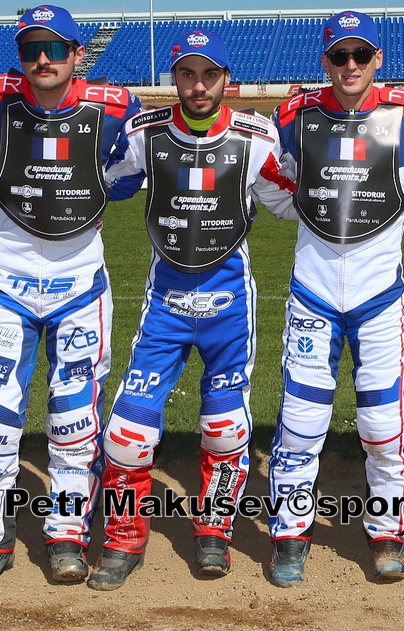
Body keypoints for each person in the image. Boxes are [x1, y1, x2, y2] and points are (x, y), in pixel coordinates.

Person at [87, 29, 292, 590]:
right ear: (173, 78)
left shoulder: (256, 137)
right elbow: (100, 182)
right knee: (127, 432)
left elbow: (290, 201)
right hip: (166, 303)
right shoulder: (144, 134)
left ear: (227, 79)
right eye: (187, 75)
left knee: (225, 429)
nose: (198, 87)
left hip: (230, 303)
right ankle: (123, 540)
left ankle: (214, 533)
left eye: (209, 75)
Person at [0, 5, 142, 593]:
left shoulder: (116, 106)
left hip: (80, 285)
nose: (42, 59)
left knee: (73, 422)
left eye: (55, 48)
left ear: (77, 55)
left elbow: (131, 177)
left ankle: (66, 535)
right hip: (7, 284)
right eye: (31, 48)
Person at [265, 11, 404, 586]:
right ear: (325, 61)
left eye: (361, 54)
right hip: (312, 292)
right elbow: (275, 182)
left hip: (379, 296)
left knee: (384, 427)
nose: (351, 65)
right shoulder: (294, 117)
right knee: (300, 424)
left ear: (378, 58)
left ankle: (388, 533)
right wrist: (309, 208)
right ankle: (289, 535)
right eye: (340, 55)